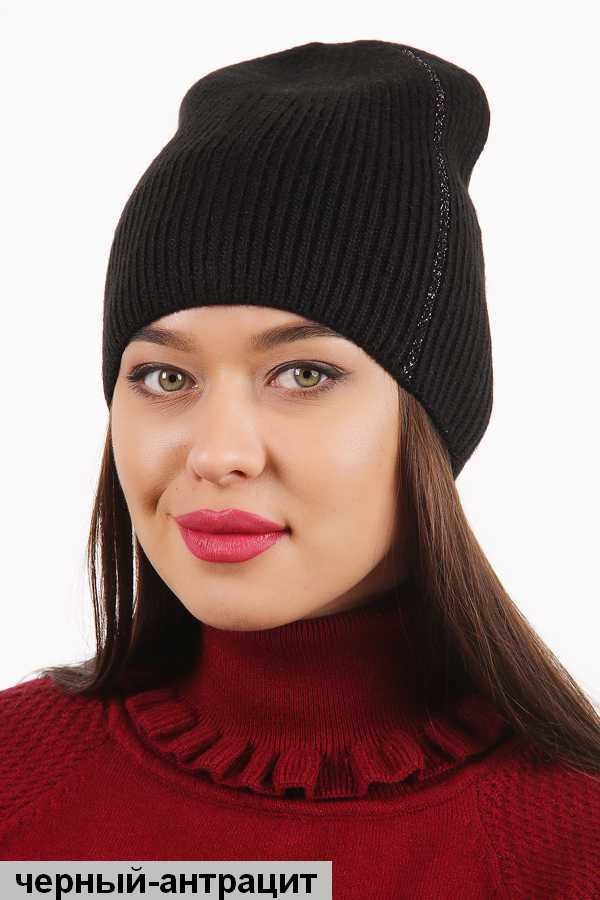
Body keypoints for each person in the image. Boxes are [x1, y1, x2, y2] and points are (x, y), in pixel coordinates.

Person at [1, 39, 598, 897]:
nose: (218, 454)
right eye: (165, 377)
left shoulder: (570, 845)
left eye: (305, 374)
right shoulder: (15, 776)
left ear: (431, 421)